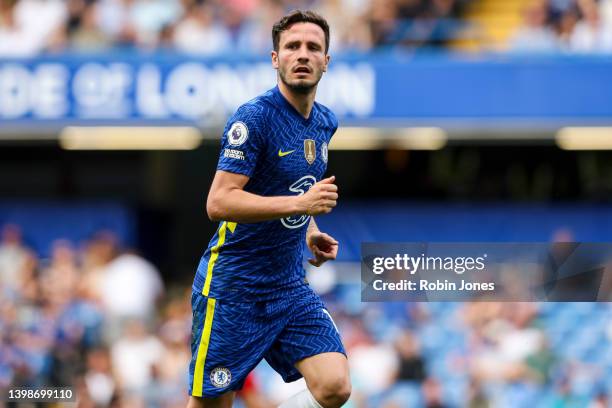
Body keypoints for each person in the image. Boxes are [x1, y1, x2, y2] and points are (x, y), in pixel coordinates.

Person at [187, 10, 351, 408]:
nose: (303, 54)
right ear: (275, 58)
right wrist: (300, 204)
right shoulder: (254, 118)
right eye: (292, 46)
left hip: (288, 286)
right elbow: (219, 201)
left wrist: (308, 228)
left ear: (326, 61)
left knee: (334, 386)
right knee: (211, 404)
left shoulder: (324, 122)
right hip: (233, 289)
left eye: (313, 47)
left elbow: (296, 188)